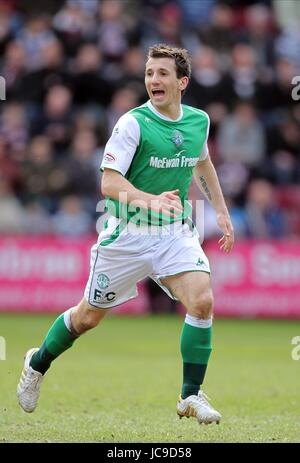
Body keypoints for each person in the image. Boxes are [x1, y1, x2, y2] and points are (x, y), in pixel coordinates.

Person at [17, 44, 234, 425]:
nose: (153, 80)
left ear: (182, 82)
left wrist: (220, 209)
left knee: (201, 301)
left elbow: (203, 162)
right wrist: (151, 200)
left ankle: (190, 395)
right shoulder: (132, 123)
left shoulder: (198, 121)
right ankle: (36, 363)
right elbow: (109, 184)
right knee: (86, 319)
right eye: (150, 73)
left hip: (172, 232)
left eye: (162, 74)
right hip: (127, 235)